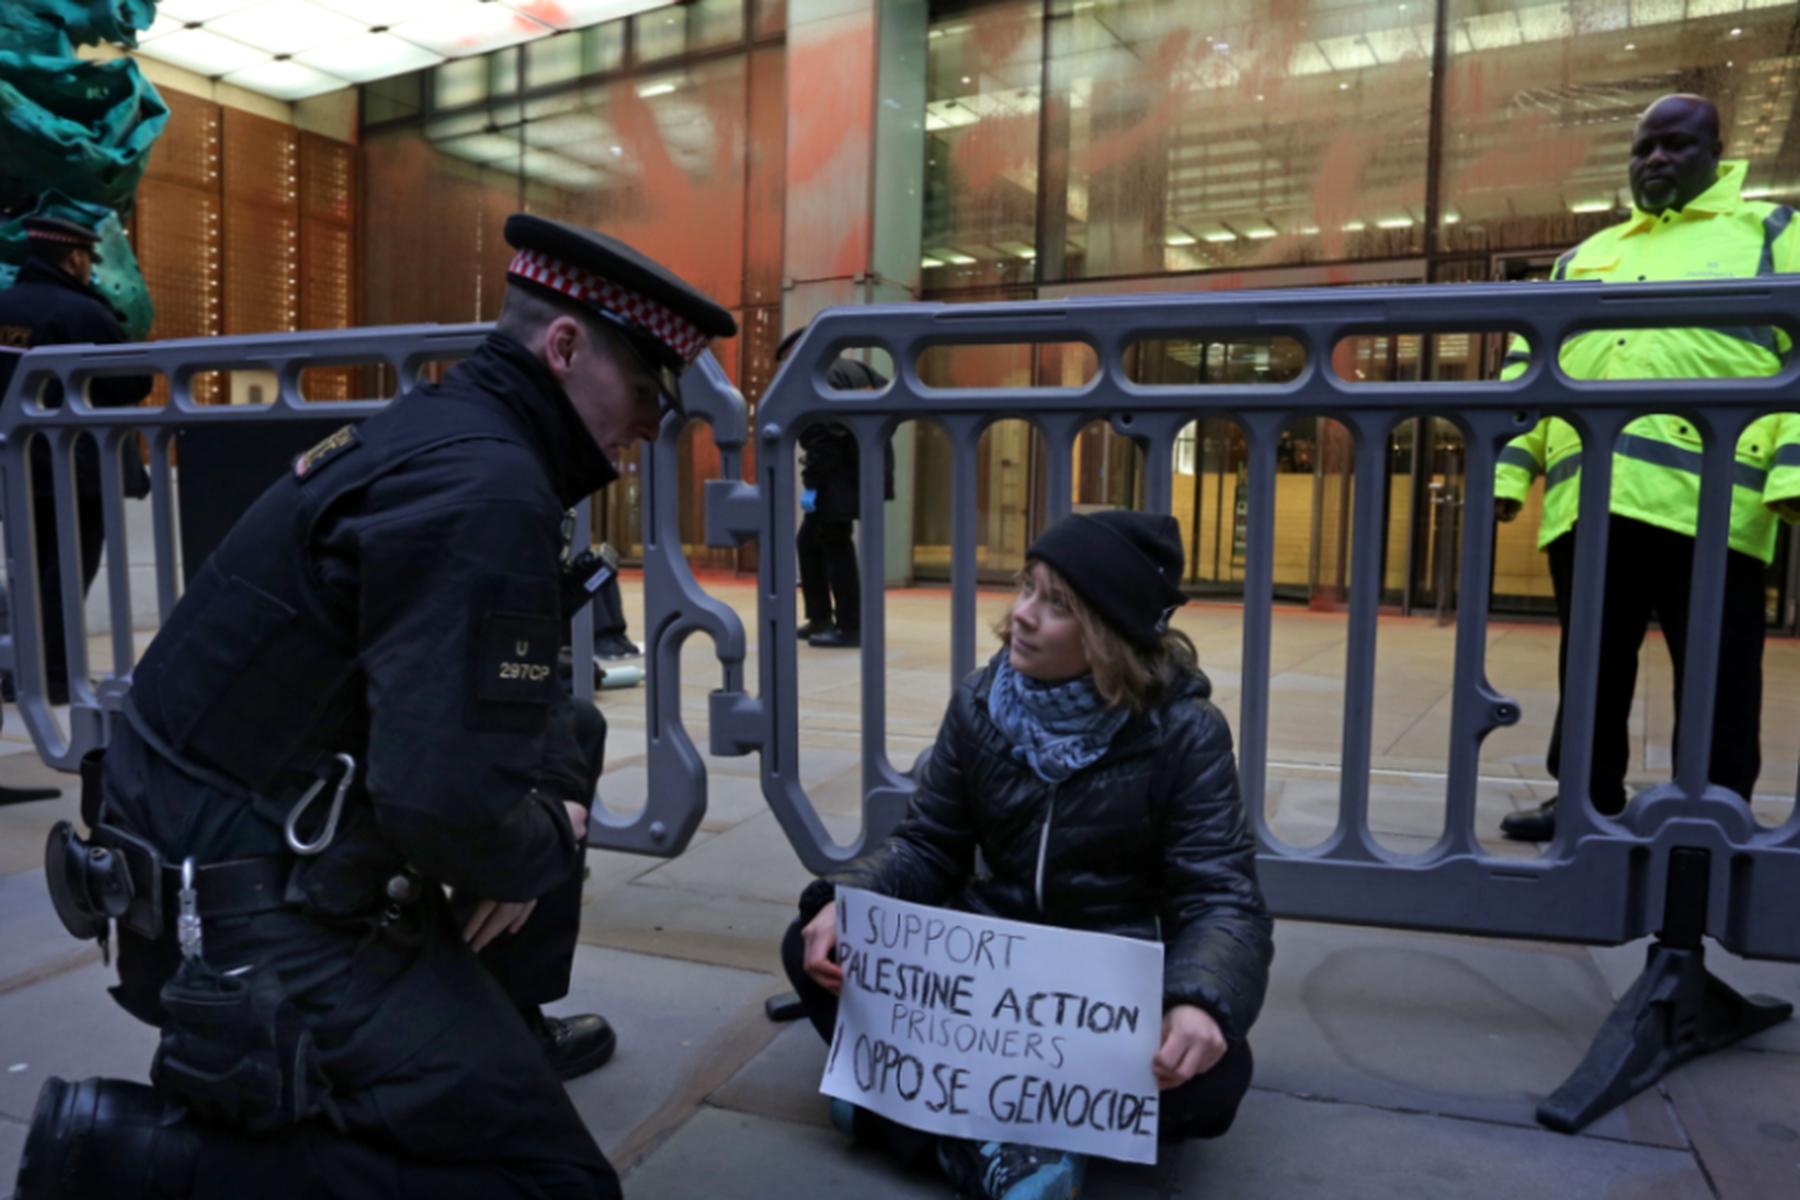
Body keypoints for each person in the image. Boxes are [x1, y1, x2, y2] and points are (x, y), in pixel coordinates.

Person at [15, 214, 736, 1198]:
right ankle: (132, 1157)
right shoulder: (487, 489)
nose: (652, 425)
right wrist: (542, 839)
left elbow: (501, 718)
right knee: (551, 1181)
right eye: (646, 392)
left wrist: (529, 822)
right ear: (565, 348)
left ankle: (485, 1032)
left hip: (198, 849)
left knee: (564, 739)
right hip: (245, 914)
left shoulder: (439, 433)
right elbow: (445, 808)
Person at [780, 510, 1273, 1199]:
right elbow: (928, 844)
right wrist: (850, 899)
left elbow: (1221, 898)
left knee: (1217, 1079)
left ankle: (910, 1117)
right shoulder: (981, 702)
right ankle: (1005, 1141)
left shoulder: (1185, 734)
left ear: (1110, 635)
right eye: (1027, 587)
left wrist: (1199, 1003)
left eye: (1058, 604)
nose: (1022, 614)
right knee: (816, 941)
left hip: (1105, 992)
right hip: (987, 979)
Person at [1493, 94, 1800, 842]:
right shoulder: (1582, 256)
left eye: (1676, 144)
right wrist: (1508, 472)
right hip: (1591, 499)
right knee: (1590, 666)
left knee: (1719, 670)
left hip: (1714, 498)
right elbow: (1529, 366)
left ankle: (1715, 807)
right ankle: (1583, 800)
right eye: (1643, 148)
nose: (1655, 158)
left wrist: (1792, 472)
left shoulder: (1773, 232)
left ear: (1718, 153)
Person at [0, 215, 152, 706]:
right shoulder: (83, 312)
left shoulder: (5, 305)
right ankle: (55, 676)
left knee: (27, 568)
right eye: (88, 259)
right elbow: (133, 381)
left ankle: (20, 672)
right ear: (74, 259)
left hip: (15, 464)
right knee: (66, 573)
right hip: (76, 467)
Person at [774, 327, 895, 649]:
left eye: (787, 359)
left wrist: (812, 482)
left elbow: (826, 436)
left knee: (835, 543)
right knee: (810, 540)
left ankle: (850, 626)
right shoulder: (857, 369)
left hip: (838, 475)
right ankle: (821, 617)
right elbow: (891, 401)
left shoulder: (818, 376)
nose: (786, 367)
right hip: (865, 468)